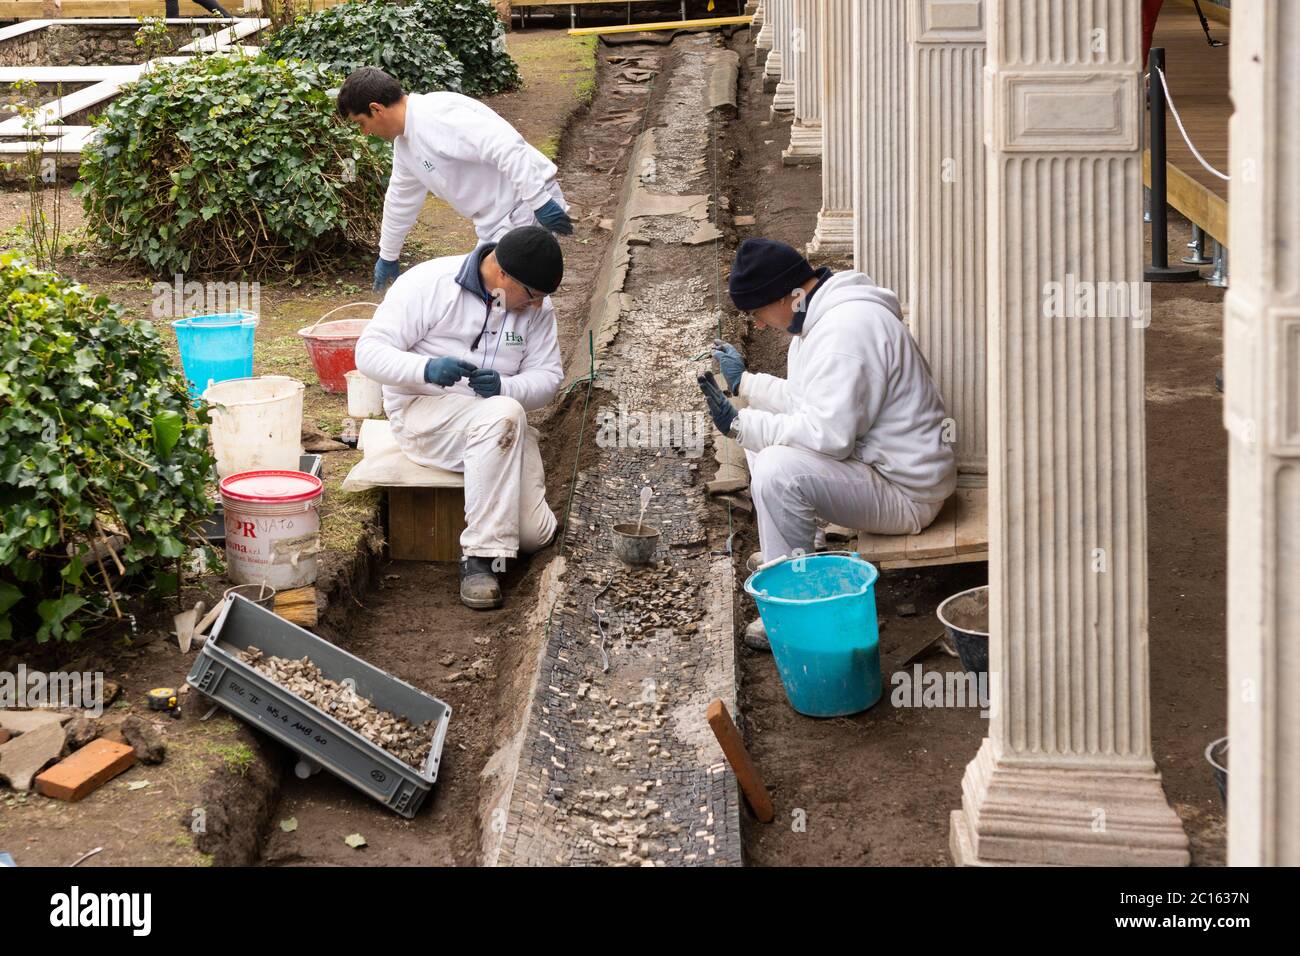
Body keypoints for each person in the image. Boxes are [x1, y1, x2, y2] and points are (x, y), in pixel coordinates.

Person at [699, 239, 956, 644]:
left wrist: (740, 425)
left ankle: (791, 607)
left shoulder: (846, 333)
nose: (760, 325)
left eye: (758, 312)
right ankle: (801, 551)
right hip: (880, 466)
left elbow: (828, 437)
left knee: (774, 468)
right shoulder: (822, 318)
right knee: (759, 433)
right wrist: (745, 384)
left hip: (907, 493)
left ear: (789, 295)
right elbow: (808, 403)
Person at [355, 226, 565, 610]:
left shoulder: (536, 307)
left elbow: (549, 378)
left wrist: (505, 386)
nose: (536, 306)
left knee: (534, 536)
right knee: (503, 414)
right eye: (532, 296)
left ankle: (497, 516)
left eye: (542, 297)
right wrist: (426, 369)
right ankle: (481, 557)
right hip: (424, 415)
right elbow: (367, 352)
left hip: (500, 423)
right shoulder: (428, 283)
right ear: (502, 274)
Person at [336, 67, 573, 292]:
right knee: (493, 297)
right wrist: (388, 255)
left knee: (508, 296)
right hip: (496, 221)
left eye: (361, 124)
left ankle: (532, 333)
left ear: (376, 109)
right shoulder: (405, 144)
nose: (364, 133)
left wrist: (539, 201)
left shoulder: (436, 115)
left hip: (524, 206)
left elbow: (506, 145)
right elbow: (400, 200)